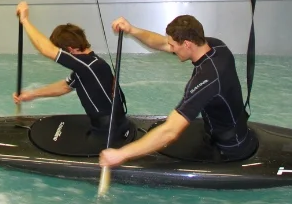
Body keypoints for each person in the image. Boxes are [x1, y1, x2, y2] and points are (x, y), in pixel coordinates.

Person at [100, 13, 258, 169]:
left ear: (187, 44)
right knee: (157, 130)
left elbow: (170, 132)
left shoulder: (207, 78)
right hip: (231, 129)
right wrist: (132, 29)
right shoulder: (216, 46)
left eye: (174, 46)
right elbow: (162, 43)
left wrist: (121, 154)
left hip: (229, 147)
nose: (171, 49)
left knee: (163, 133)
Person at [14, 1, 132, 146]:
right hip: (117, 126)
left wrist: (25, 20)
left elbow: (47, 50)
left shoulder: (87, 65)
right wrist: (31, 95)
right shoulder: (92, 64)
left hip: (107, 136)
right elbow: (65, 86)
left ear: (70, 49)